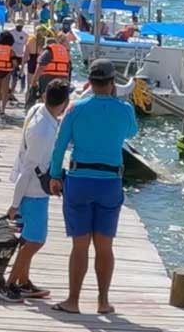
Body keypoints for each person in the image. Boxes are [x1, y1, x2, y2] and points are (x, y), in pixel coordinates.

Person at [49, 59, 139, 315]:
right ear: (112, 84)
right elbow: (131, 132)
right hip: (110, 182)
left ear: (90, 82)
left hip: (79, 179)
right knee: (104, 246)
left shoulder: (75, 109)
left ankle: (73, 300)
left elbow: (59, 146)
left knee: (79, 245)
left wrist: (55, 175)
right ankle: (103, 301)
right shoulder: (125, 110)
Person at [0, 80, 72, 301]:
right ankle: (10, 283)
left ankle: (23, 281)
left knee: (27, 238)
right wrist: (14, 204)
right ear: (65, 102)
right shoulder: (43, 132)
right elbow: (28, 169)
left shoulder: (37, 110)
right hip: (33, 192)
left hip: (32, 189)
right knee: (36, 240)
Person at [35, 32, 72, 104]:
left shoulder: (48, 51)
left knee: (45, 98)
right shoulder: (64, 52)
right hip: (62, 78)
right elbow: (68, 68)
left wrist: (34, 81)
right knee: (59, 99)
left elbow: (41, 67)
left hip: (48, 78)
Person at [0, 31, 16, 116]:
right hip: (6, 71)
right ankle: (3, 109)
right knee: (5, 92)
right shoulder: (11, 50)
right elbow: (15, 63)